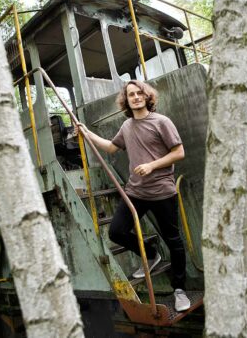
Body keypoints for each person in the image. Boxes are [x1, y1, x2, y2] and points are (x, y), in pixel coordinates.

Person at [79, 80, 190, 312]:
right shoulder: (127, 126)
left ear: (147, 96)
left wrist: (152, 166)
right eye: (131, 94)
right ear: (126, 100)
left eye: (140, 93)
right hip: (136, 191)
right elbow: (111, 147)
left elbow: (178, 152)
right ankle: (150, 256)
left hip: (161, 191)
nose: (136, 97)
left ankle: (179, 289)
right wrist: (86, 133)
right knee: (117, 232)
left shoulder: (162, 122)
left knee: (173, 241)